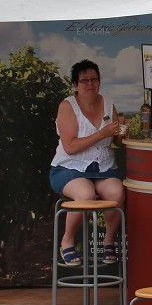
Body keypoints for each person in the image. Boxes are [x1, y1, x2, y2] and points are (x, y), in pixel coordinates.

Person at [50, 59, 126, 266]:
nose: (90, 84)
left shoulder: (109, 104)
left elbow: (117, 142)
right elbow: (70, 147)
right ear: (75, 85)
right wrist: (103, 133)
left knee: (117, 192)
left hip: (103, 168)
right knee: (85, 194)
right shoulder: (67, 107)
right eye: (84, 80)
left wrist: (122, 134)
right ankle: (67, 241)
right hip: (69, 167)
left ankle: (109, 242)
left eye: (94, 79)